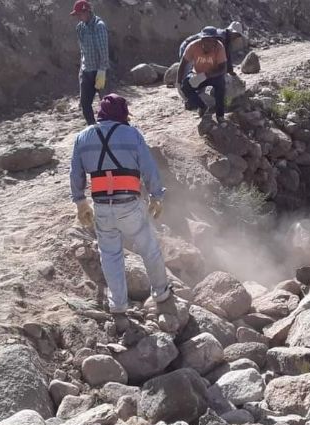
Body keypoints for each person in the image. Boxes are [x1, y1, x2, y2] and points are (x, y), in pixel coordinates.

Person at [70, 94, 172, 319]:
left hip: (101, 207)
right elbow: (148, 168)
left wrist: (80, 203)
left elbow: (75, 174)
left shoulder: (82, 138)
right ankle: (161, 293)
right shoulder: (132, 134)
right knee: (149, 249)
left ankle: (118, 306)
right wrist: (156, 196)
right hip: (130, 205)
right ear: (123, 113)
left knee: (110, 255)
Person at [177, 27, 228, 122]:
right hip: (198, 75)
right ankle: (202, 106)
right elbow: (183, 64)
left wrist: (207, 75)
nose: (209, 43)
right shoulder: (193, 46)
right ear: (202, 40)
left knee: (221, 87)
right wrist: (178, 82)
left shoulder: (219, 47)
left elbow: (223, 69)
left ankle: (220, 115)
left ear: (215, 41)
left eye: (211, 41)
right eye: (206, 40)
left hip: (213, 75)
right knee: (186, 86)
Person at [71, 0, 109, 125]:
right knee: (85, 103)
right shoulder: (80, 28)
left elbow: (103, 50)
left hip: (99, 71)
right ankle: (93, 128)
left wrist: (102, 70)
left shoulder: (99, 26)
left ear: (86, 11)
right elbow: (83, 51)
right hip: (86, 71)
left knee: (108, 103)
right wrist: (81, 70)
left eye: (79, 14)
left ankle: (112, 128)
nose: (78, 17)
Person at [178, 21, 246, 75]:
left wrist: (230, 71)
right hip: (186, 46)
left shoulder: (226, 38)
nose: (237, 38)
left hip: (193, 47)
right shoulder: (220, 37)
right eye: (237, 35)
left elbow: (226, 55)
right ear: (233, 33)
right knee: (187, 71)